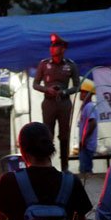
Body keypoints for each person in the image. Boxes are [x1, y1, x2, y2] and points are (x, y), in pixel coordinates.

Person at [33, 34, 81, 172]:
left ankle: (64, 167)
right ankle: (47, 165)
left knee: (64, 134)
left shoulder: (70, 65)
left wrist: (64, 92)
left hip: (64, 102)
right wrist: (47, 89)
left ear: (63, 48)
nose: (52, 48)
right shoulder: (44, 64)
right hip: (49, 102)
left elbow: (77, 86)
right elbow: (35, 84)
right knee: (47, 134)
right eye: (52, 45)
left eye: (56, 46)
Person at [76, 78, 99, 175]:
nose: (81, 94)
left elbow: (93, 123)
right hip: (86, 144)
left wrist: (84, 140)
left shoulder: (89, 106)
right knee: (85, 169)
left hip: (87, 145)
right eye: (81, 92)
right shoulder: (86, 106)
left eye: (84, 92)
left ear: (90, 94)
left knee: (85, 171)